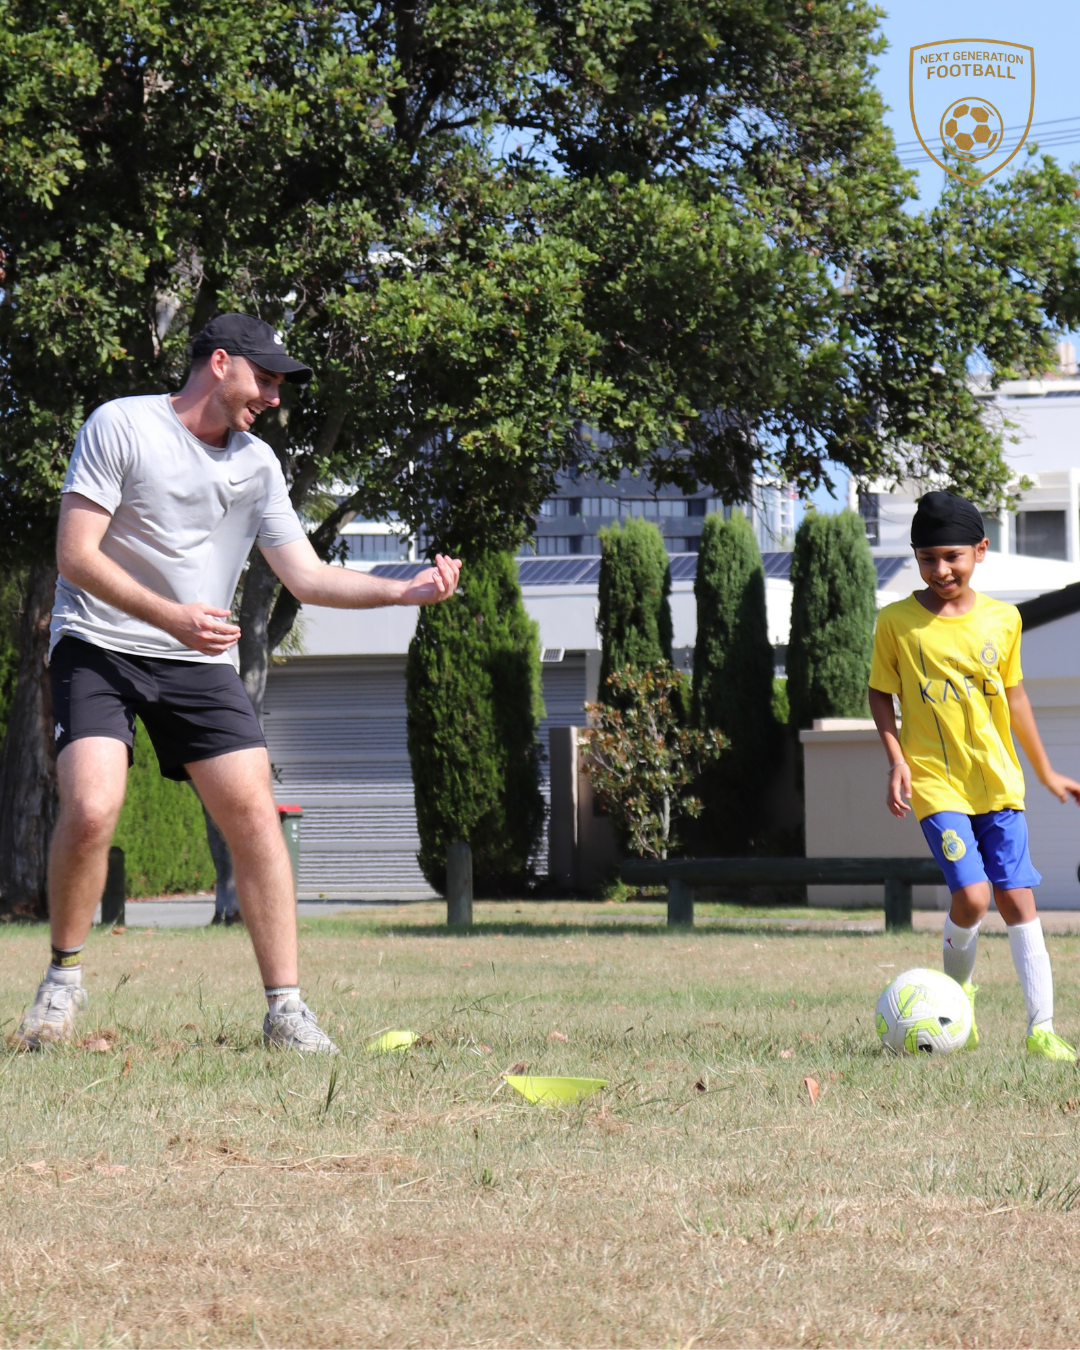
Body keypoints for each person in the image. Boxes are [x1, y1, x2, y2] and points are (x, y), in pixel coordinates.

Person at [11, 314, 461, 1054]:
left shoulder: (257, 466)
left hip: (197, 659)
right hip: (100, 643)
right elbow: (75, 556)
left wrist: (402, 591)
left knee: (254, 814)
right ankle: (62, 981)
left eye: (281, 384)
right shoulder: (121, 426)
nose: (275, 396)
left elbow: (306, 577)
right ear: (220, 363)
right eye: (267, 378)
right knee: (92, 807)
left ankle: (286, 1009)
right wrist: (172, 617)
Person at [868, 490, 1080, 1060]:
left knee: (1018, 901)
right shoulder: (896, 623)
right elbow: (880, 694)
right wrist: (896, 761)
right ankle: (957, 996)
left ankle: (1041, 1029)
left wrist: (1047, 771)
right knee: (973, 895)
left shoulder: (1003, 620)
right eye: (927, 558)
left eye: (953, 556)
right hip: (937, 785)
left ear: (980, 551)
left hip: (999, 784)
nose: (941, 569)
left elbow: (1015, 700)